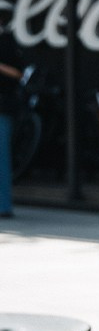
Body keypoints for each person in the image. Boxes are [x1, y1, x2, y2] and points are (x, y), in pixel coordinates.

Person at [0, 57, 20, 217]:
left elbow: (17, 73)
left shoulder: (6, 42)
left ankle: (3, 206)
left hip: (3, 108)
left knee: (2, 159)